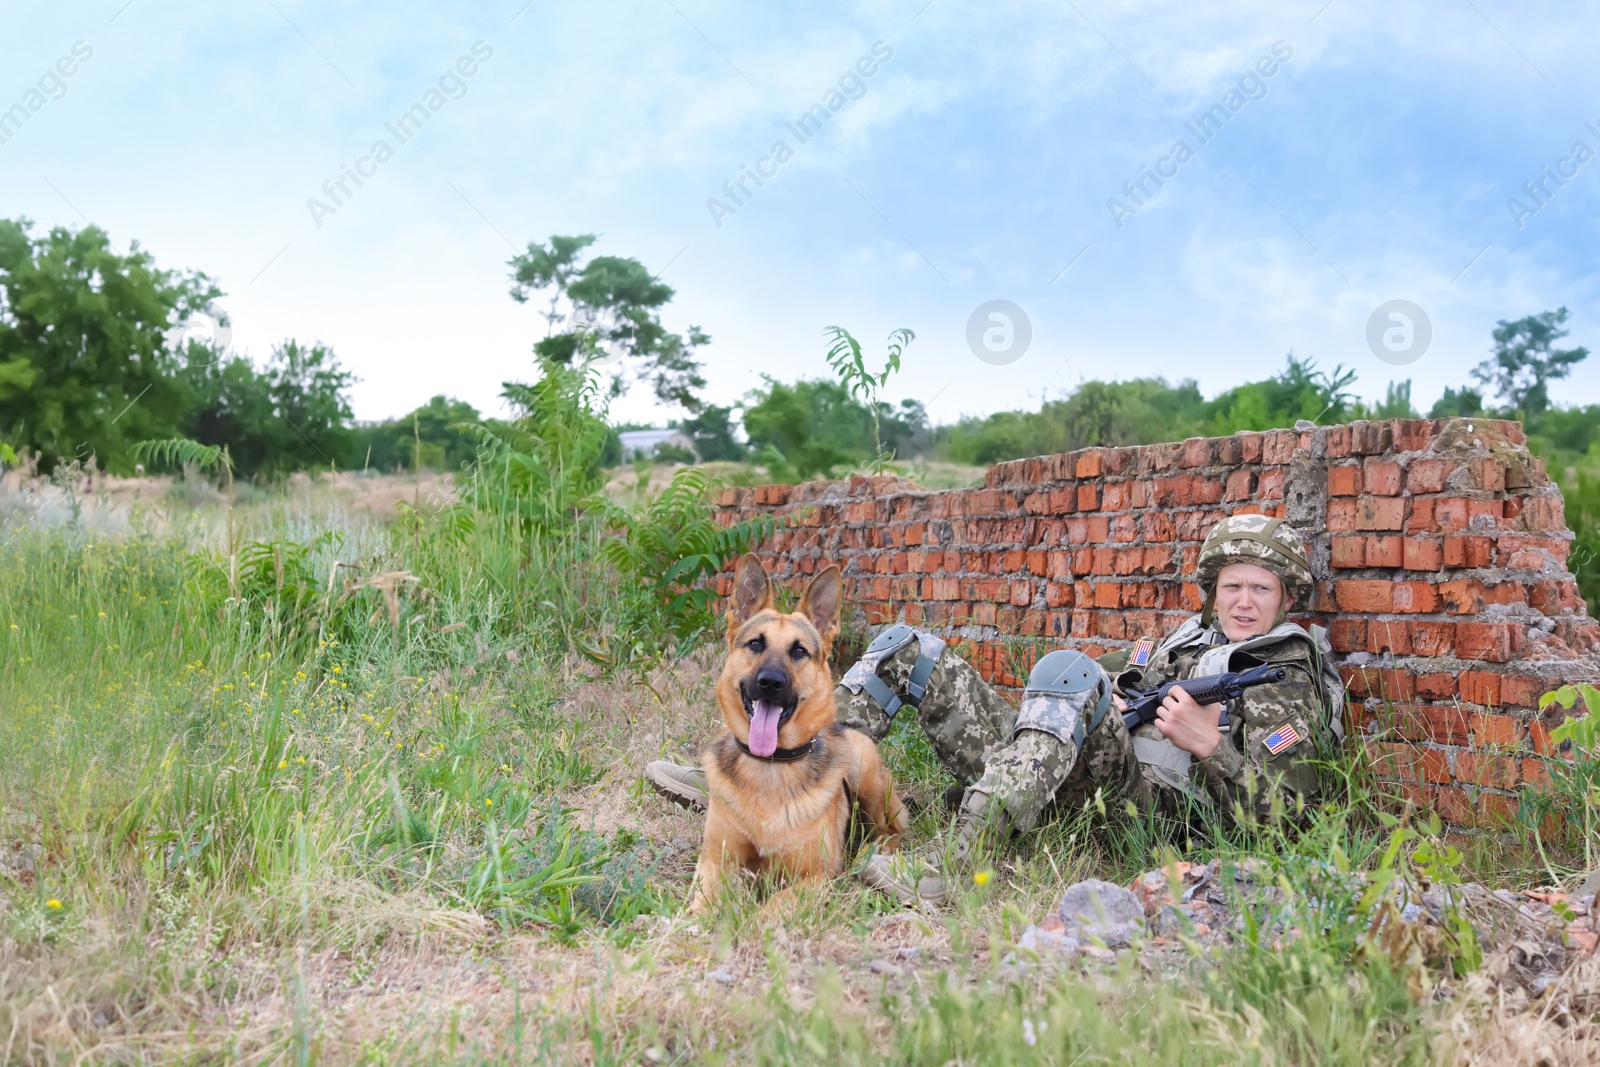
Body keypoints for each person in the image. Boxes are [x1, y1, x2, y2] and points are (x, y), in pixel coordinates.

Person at [645, 514, 1345, 906]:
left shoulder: (1283, 671)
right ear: (1211, 590)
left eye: (1261, 587)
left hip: (1152, 812)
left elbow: (1291, 820)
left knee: (1066, 672)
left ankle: (955, 859)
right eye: (1233, 585)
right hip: (1070, 770)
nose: (1245, 600)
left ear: (1286, 597)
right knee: (906, 648)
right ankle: (766, 763)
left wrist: (1206, 744)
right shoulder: (1187, 642)